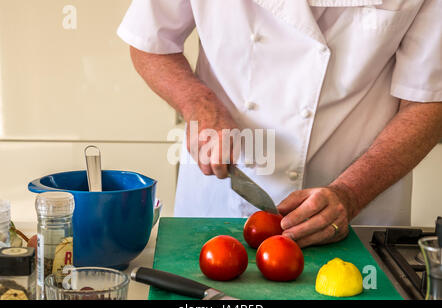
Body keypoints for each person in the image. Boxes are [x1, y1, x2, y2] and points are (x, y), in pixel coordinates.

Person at [117, 0, 442, 248]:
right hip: (221, 199)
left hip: (361, 207)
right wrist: (200, 105)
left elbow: (429, 101)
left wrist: (351, 194)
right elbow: (150, 42)